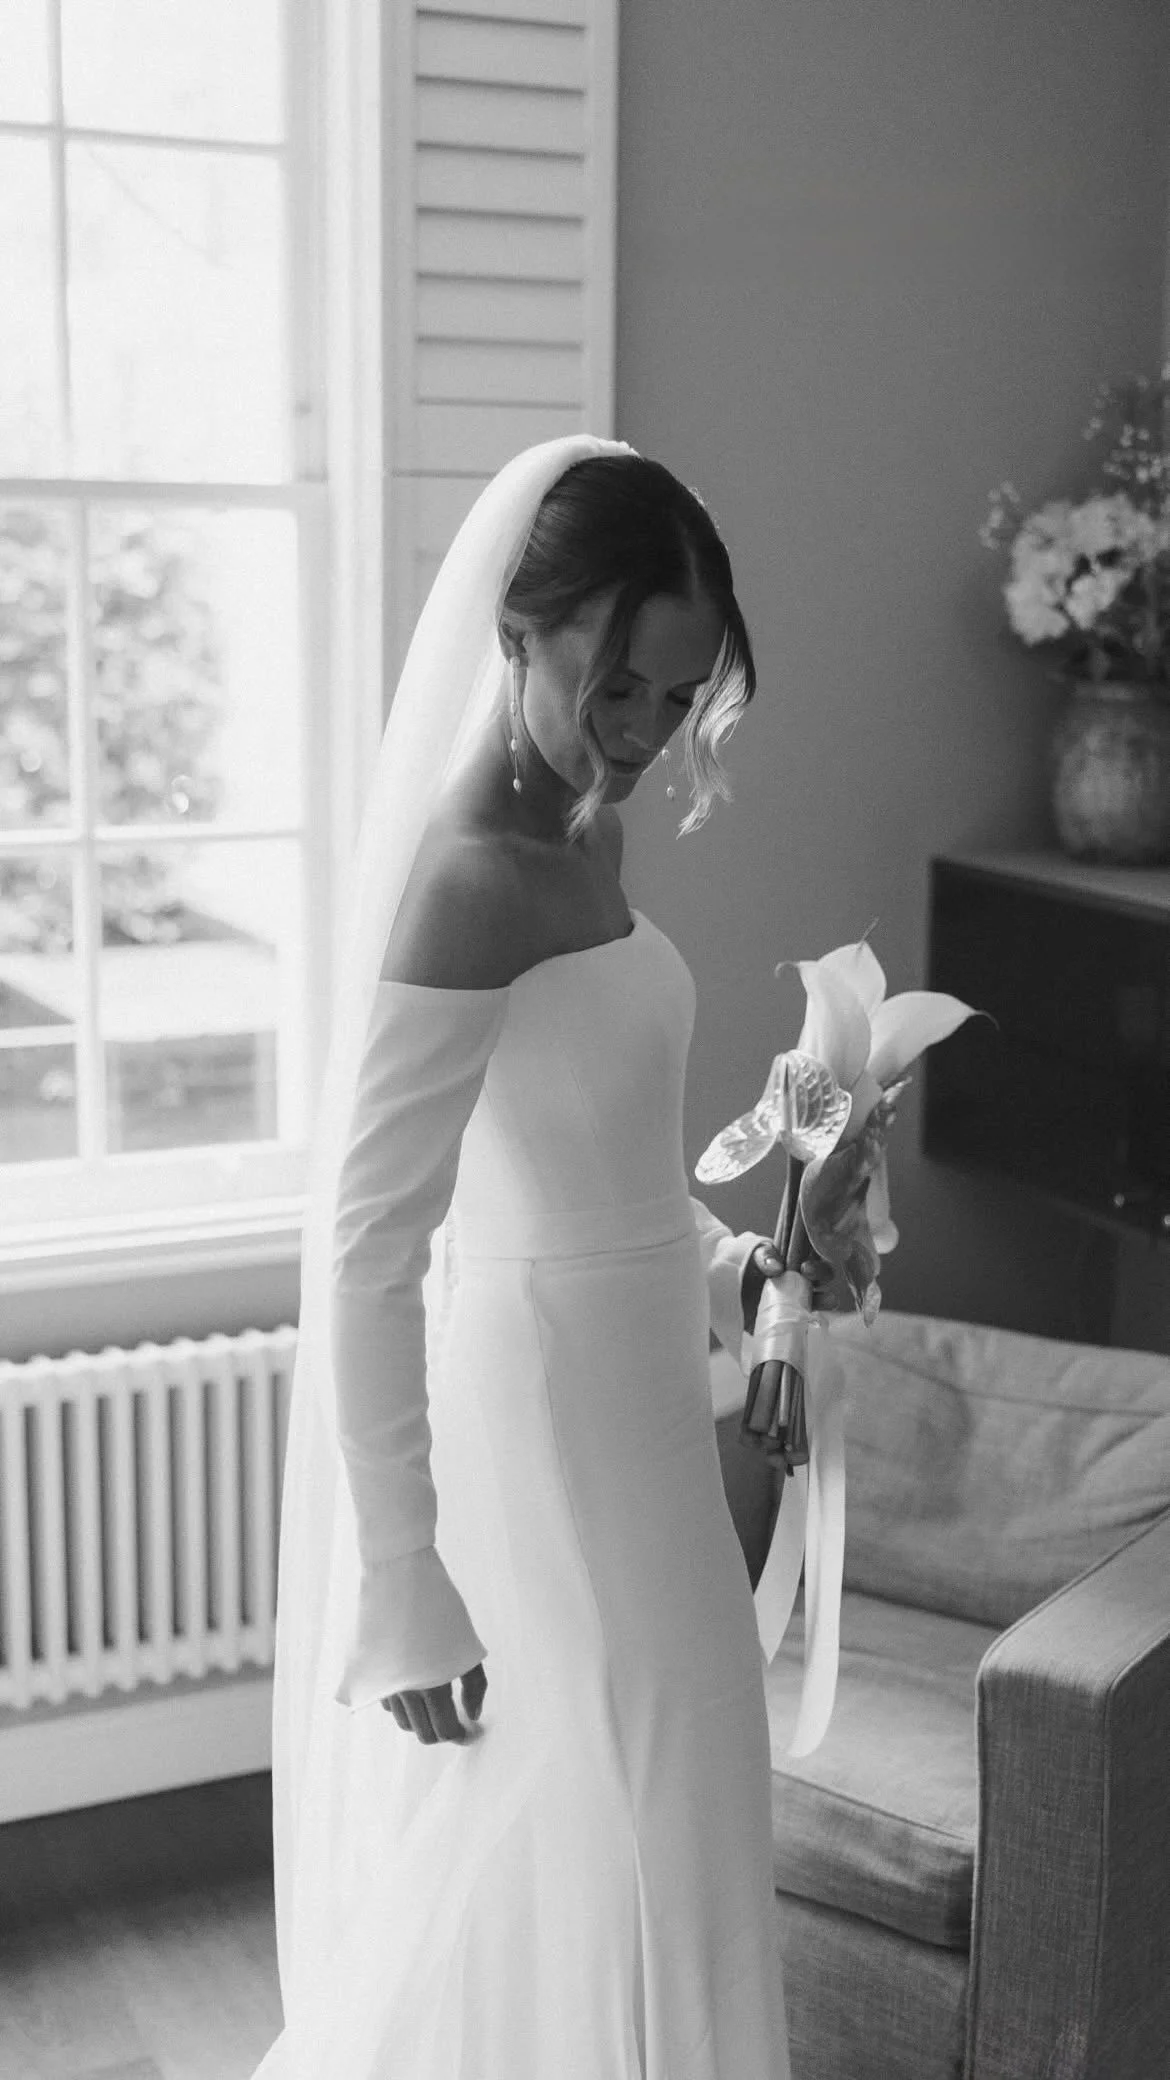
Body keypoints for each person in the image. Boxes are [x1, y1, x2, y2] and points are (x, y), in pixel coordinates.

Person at [250, 435, 836, 2079]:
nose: (646, 736)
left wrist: (747, 1268)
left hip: (642, 1385)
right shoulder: (468, 882)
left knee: (649, 1803)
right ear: (520, 631)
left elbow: (602, 1174)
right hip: (554, 1426)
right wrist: (404, 1575)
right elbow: (368, 1250)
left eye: (678, 696)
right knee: (640, 1789)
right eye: (616, 687)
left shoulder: (588, 833)